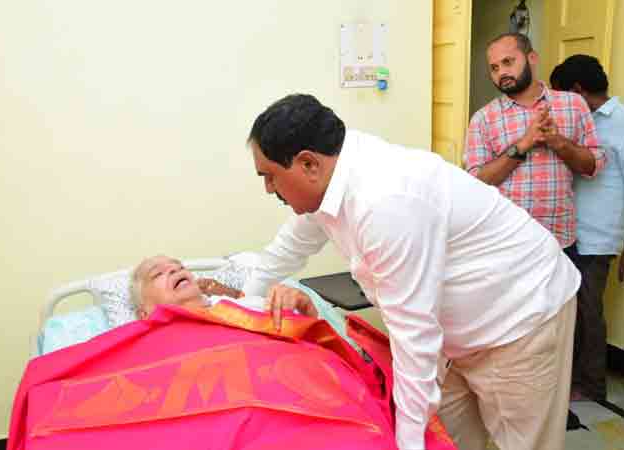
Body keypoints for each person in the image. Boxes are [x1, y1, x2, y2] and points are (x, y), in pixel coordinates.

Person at [243, 93, 579, 450]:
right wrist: (241, 304)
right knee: (447, 435)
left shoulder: (386, 200)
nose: (268, 189)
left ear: (308, 164)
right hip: (456, 334)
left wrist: (408, 443)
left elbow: (413, 333)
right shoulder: (330, 180)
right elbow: (288, 248)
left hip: (522, 315)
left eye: (270, 177)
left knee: (521, 442)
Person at [464, 32, 604, 250]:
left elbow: (593, 166)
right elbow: (477, 182)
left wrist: (558, 142)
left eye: (508, 62)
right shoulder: (483, 118)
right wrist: (523, 145)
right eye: (494, 68)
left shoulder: (574, 104)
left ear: (532, 58)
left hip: (560, 242)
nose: (502, 73)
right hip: (506, 243)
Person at [550, 54, 624, 402]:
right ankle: (569, 377)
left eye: (561, 94)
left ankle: (592, 386)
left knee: (588, 311)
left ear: (577, 90)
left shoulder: (623, 122)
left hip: (599, 237)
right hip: (569, 229)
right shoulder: (580, 119)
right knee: (569, 309)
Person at [130, 254, 317, 326]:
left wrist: (306, 311)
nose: (174, 269)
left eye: (179, 266)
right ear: (143, 314)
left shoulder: (253, 307)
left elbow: (307, 348)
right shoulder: (140, 346)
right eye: (157, 274)